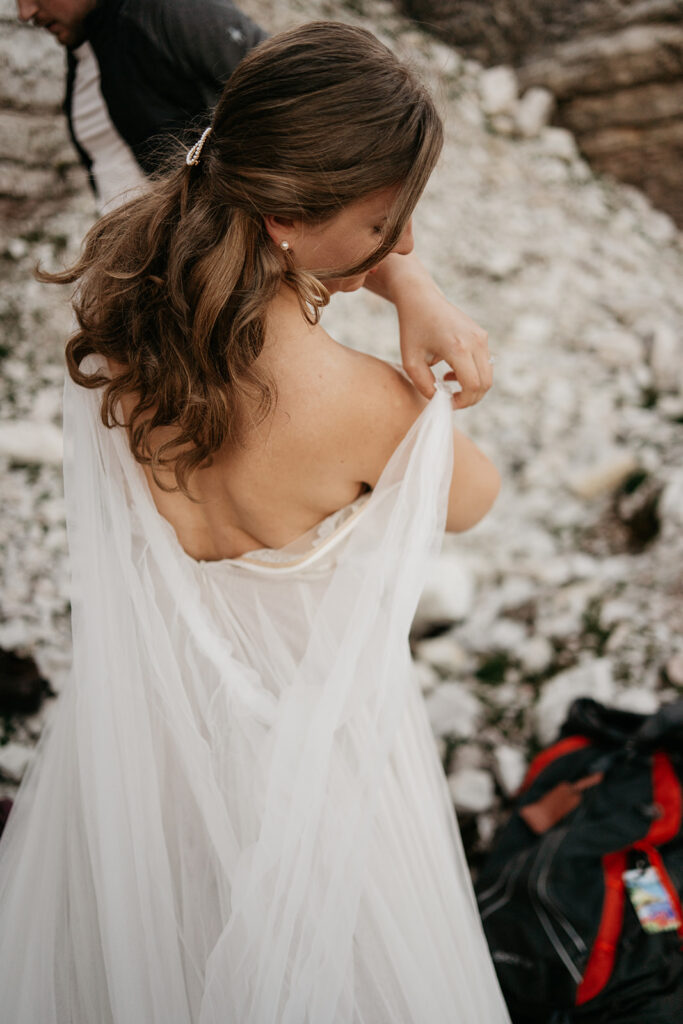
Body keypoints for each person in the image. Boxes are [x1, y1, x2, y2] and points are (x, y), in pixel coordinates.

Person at [0, 22, 510, 1022]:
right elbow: (474, 496)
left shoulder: (120, 326)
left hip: (144, 760)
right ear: (284, 212)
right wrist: (418, 300)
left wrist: (382, 267)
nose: (403, 243)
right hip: (306, 783)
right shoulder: (364, 407)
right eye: (381, 226)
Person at [17, 0, 493, 408]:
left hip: (225, 290)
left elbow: (328, 138)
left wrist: (413, 286)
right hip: (177, 291)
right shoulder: (94, 38)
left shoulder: (169, 14)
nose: (24, 11)